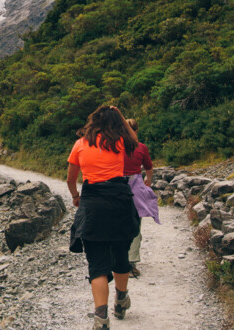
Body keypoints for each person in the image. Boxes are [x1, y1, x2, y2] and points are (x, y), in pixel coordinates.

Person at [67, 106, 140, 330]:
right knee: (120, 255)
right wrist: (120, 116)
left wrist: (76, 196)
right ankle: (121, 299)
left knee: (97, 265)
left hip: (93, 204)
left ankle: (101, 318)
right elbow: (135, 140)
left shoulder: (80, 144)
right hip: (120, 201)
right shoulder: (119, 141)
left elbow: (71, 179)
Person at [123, 118, 159, 278]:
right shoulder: (141, 148)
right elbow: (149, 168)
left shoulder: (114, 148)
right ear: (136, 131)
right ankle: (131, 263)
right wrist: (148, 181)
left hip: (116, 186)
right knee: (135, 224)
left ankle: (117, 260)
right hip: (135, 184)